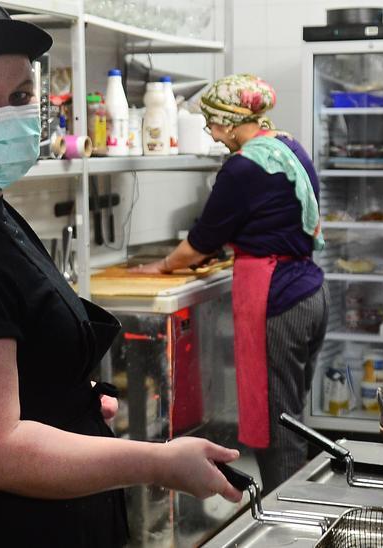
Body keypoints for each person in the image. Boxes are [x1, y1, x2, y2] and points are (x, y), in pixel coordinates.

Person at [0, 2, 240, 545]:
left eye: (18, 97)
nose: (5, 115)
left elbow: (1, 347)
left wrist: (66, 396)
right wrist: (159, 463)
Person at [133, 74, 326, 492]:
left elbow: (201, 241)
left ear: (233, 121)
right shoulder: (288, 146)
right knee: (291, 413)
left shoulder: (243, 166)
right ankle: (301, 508)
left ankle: (288, 524)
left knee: (279, 425)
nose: (214, 135)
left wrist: (162, 266)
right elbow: (276, 217)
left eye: (214, 125)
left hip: (277, 296)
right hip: (309, 291)